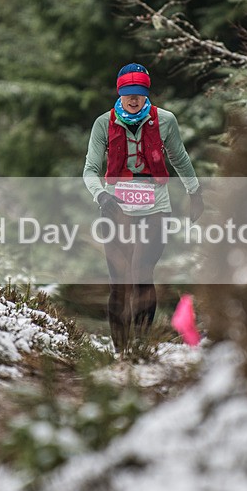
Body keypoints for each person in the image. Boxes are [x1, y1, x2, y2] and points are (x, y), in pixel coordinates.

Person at [83, 62, 204, 352]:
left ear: (146, 93)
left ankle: (139, 343)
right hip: (116, 208)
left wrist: (195, 192)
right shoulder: (103, 123)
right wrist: (101, 195)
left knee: (141, 270)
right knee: (119, 282)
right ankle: (121, 349)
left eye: (139, 93)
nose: (134, 99)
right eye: (128, 93)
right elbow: (89, 169)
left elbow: (180, 158)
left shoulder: (165, 120)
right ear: (120, 93)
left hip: (155, 206)